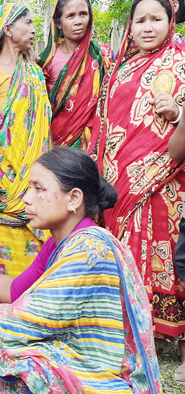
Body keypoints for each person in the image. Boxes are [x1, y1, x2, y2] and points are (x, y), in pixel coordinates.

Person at [0, 147, 163, 394]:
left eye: (39, 189)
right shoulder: (62, 242)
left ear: (74, 198)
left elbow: (24, 319)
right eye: (29, 188)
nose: (26, 199)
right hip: (82, 367)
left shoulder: (91, 252)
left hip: (100, 381)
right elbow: (15, 293)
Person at [88, 0, 185, 381]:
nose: (147, 27)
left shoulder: (181, 62)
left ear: (170, 20)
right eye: (140, 20)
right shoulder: (120, 68)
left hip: (168, 184)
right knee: (123, 258)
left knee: (171, 264)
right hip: (118, 184)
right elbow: (104, 125)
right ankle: (127, 339)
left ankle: (178, 345)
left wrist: (176, 114)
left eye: (155, 19)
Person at [0, 3, 51, 308]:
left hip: (33, 175)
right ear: (7, 30)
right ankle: (1, 308)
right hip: (1, 178)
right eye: (27, 23)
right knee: (2, 240)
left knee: (35, 239)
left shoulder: (34, 74)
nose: (33, 29)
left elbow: (43, 128)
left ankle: (34, 305)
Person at [38, 0, 111, 149]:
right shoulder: (47, 61)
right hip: (58, 146)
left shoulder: (102, 55)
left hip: (95, 143)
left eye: (83, 14)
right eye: (70, 16)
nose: (78, 21)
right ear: (58, 23)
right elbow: (38, 109)